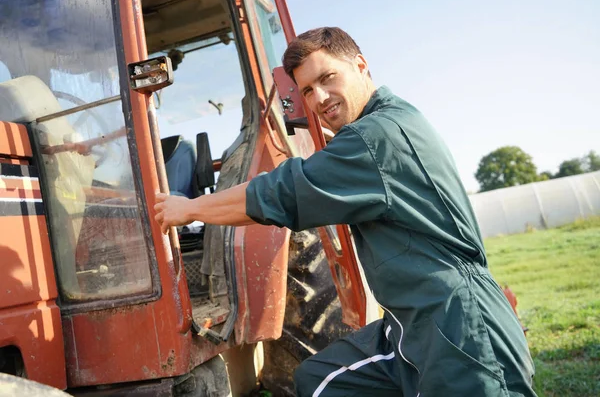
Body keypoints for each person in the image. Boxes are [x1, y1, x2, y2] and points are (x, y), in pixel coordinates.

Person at [154, 27, 536, 397]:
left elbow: (283, 192)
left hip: (456, 329)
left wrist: (189, 208)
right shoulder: (387, 123)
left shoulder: (374, 138)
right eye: (307, 90)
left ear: (361, 65)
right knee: (320, 380)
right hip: (409, 324)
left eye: (327, 77)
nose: (319, 97)